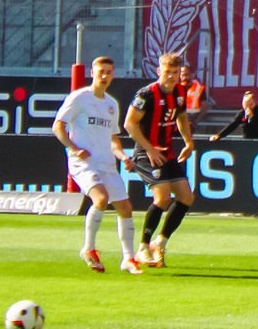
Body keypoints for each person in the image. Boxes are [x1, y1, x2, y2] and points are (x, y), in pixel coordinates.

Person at [51, 59, 145, 275]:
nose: (105, 76)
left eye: (109, 72)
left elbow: (113, 139)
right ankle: (88, 248)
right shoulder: (80, 98)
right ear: (92, 72)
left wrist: (123, 157)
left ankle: (128, 258)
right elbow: (58, 126)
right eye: (101, 72)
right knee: (101, 199)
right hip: (84, 162)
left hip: (106, 163)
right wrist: (74, 148)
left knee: (125, 208)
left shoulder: (111, 104)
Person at [127, 52, 199, 268]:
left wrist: (188, 142)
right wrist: (149, 149)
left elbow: (181, 117)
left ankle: (160, 242)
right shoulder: (146, 94)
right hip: (146, 152)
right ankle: (142, 247)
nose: (171, 76)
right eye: (167, 72)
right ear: (159, 71)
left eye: (175, 73)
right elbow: (130, 124)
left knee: (186, 197)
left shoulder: (179, 92)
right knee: (162, 198)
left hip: (166, 151)